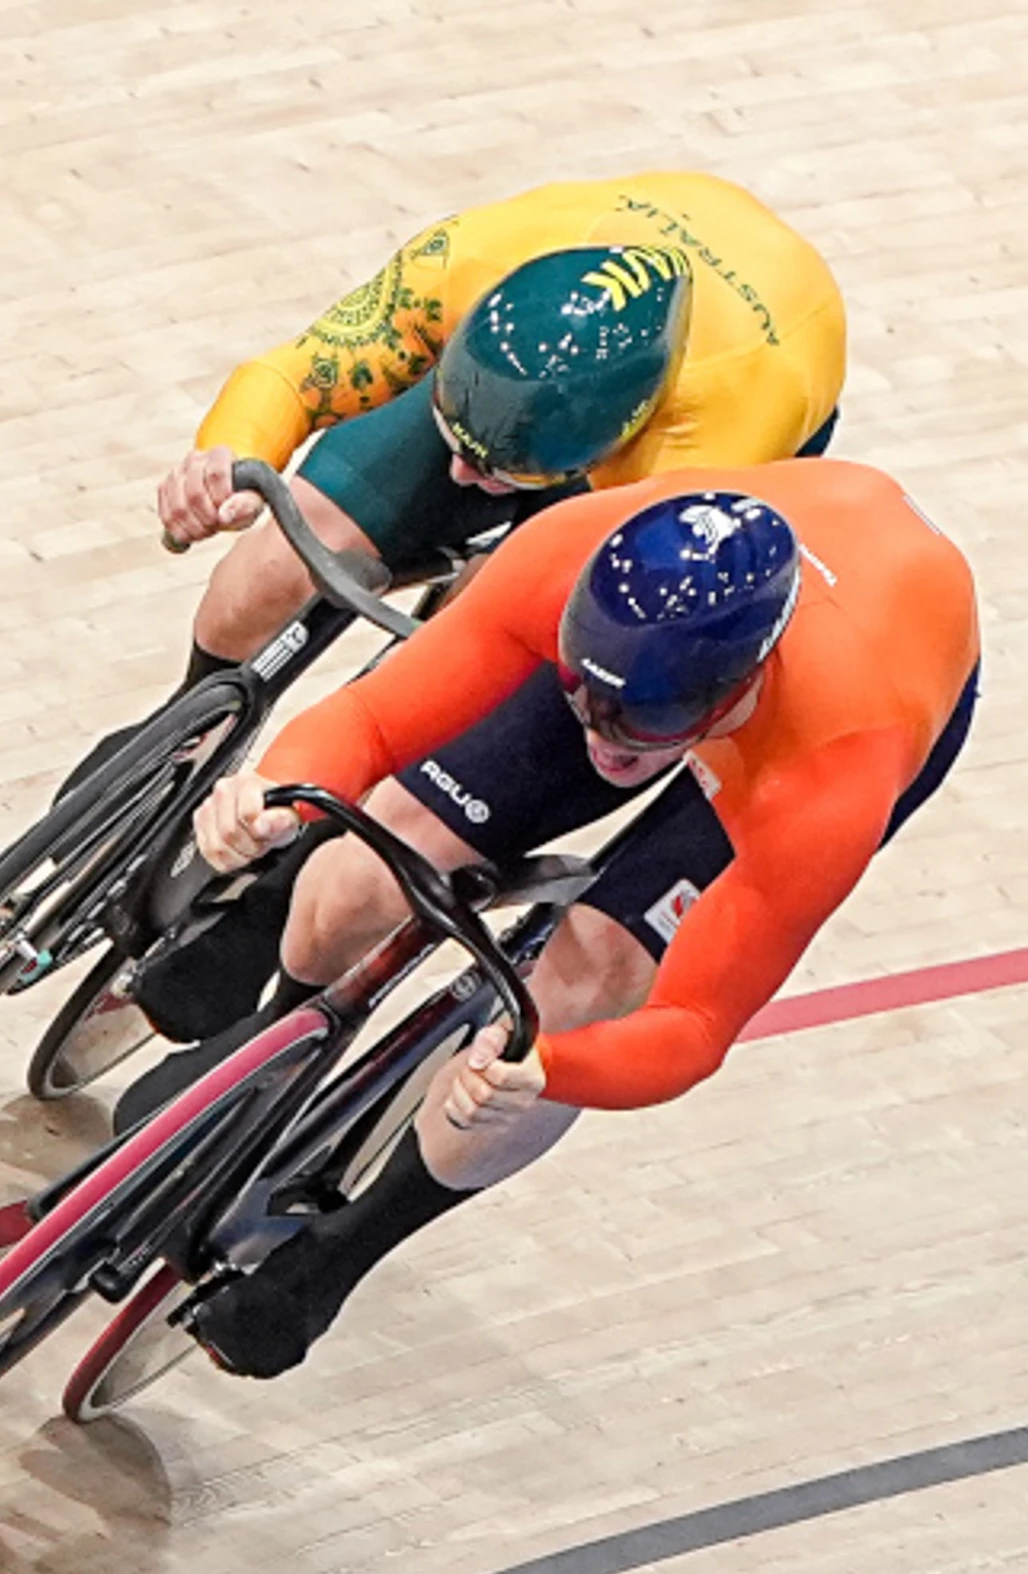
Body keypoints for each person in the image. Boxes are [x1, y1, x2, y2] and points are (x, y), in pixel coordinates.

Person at [167, 460, 982, 1375]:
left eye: (632, 723)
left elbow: (694, 1024)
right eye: (585, 700)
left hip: (829, 711)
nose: (599, 735)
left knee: (588, 979)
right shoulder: (567, 555)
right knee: (377, 857)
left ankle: (342, 1251)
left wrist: (550, 1064)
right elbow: (375, 722)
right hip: (667, 653)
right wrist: (277, 792)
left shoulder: (832, 770)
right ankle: (264, 1055)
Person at [133, 171, 848, 1034]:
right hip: (573, 355)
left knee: (478, 641)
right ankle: (184, 729)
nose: (468, 477)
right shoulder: (471, 262)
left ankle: (282, 893)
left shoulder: (717, 438)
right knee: (279, 561)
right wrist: (223, 461)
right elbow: (294, 374)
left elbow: (530, 628)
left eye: (501, 471)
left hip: (694, 432)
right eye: (458, 439)